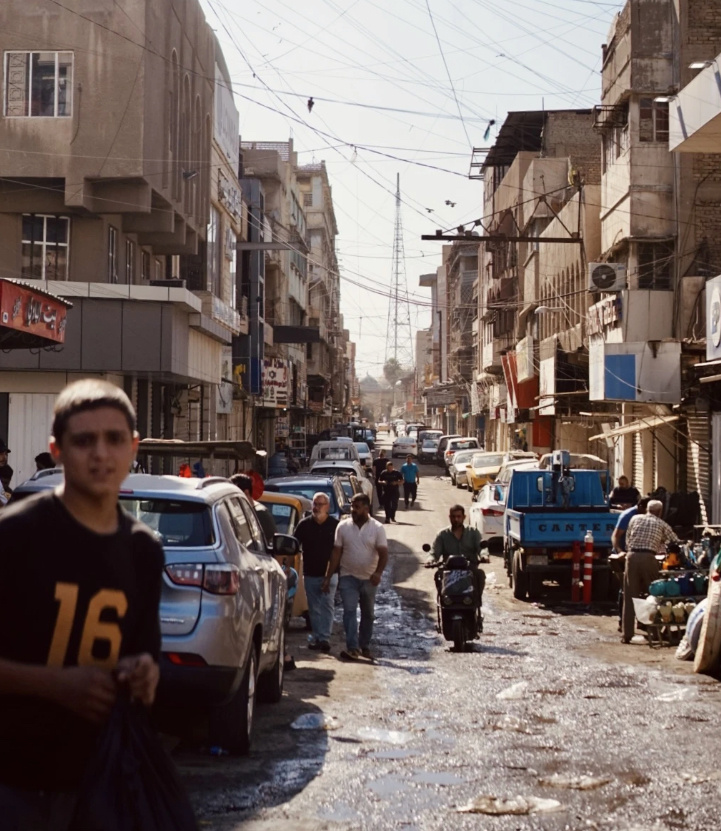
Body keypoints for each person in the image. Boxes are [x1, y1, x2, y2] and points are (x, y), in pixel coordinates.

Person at [0, 379, 163, 828]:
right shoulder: (15, 537)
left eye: (114, 439)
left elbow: (146, 654)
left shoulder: (143, 551)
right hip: (12, 782)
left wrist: (144, 673)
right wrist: (55, 685)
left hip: (103, 784)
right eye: (84, 441)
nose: (100, 454)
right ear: (57, 450)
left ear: (133, 448)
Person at [323, 493, 388, 660]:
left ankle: (364, 645)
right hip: (348, 576)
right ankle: (352, 647)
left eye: (357, 507)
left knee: (368, 614)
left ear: (366, 508)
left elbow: (383, 554)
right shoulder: (343, 527)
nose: (353, 510)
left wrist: (378, 573)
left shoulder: (377, 528)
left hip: (369, 579)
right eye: (352, 506)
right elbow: (336, 553)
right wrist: (328, 577)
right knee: (349, 611)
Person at [621, 498, 679, 644]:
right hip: (649, 558)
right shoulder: (661, 523)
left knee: (630, 596)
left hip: (631, 557)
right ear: (660, 512)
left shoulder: (634, 518)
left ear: (647, 509)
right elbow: (675, 541)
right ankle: (654, 632)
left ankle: (627, 634)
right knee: (654, 594)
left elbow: (628, 540)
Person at [294, 492, 339, 653]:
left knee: (327, 605)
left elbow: (339, 550)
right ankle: (318, 637)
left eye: (320, 504)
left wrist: (330, 574)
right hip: (310, 573)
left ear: (328, 507)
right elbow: (294, 546)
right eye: (315, 504)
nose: (317, 507)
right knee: (314, 608)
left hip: (331, 574)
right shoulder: (304, 525)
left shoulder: (335, 526)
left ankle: (324, 638)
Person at [431, 505, 486, 601]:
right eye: (453, 517)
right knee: (438, 574)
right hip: (448, 569)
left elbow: (481, 548)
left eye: (458, 516)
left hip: (469, 568)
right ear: (449, 517)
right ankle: (442, 598)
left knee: (480, 574)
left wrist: (484, 556)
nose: (456, 519)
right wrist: (431, 560)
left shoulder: (473, 532)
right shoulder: (442, 534)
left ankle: (477, 600)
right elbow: (434, 552)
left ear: (464, 517)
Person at [229, 472, 277, 544]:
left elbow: (271, 541)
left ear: (246, 493)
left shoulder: (260, 513)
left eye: (234, 495)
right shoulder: (236, 513)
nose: (232, 500)